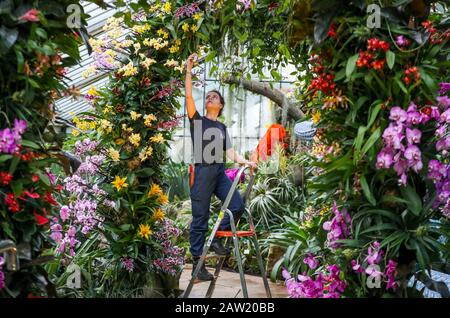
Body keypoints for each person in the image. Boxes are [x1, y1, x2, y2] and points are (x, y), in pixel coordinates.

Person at [185, 53, 255, 281]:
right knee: (199, 218)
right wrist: (189, 69)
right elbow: (188, 95)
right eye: (208, 96)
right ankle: (198, 266)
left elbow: (231, 153)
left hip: (219, 171)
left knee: (236, 205)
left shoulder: (222, 127)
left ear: (221, 105)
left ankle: (215, 238)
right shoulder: (197, 120)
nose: (210, 98)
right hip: (202, 171)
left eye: (214, 97)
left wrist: (246, 162)